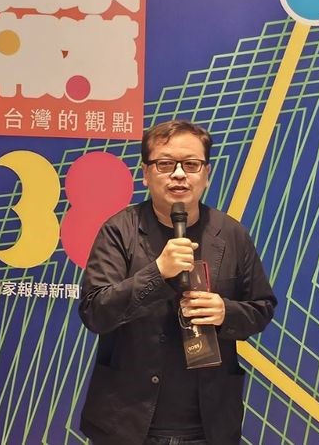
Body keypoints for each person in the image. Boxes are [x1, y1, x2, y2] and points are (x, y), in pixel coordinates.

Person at [79, 119, 277, 445]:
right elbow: (95, 312)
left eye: (192, 164)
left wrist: (225, 312)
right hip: (127, 422)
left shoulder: (232, 234)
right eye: (165, 164)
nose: (179, 174)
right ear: (146, 173)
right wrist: (158, 272)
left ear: (207, 174)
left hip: (209, 424)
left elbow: (262, 308)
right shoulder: (119, 231)